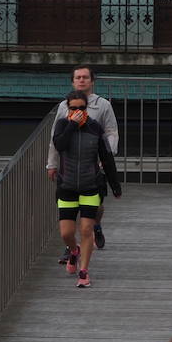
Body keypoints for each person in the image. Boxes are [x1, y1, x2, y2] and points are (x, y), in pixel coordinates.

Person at [46, 66, 119, 262]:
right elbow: (56, 138)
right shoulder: (64, 106)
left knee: (97, 204)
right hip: (70, 163)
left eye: (85, 77)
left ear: (92, 81)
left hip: (93, 161)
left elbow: (111, 131)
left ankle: (96, 226)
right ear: (72, 81)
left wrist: (107, 158)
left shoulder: (102, 105)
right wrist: (51, 164)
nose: (81, 80)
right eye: (78, 77)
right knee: (69, 209)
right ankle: (71, 247)